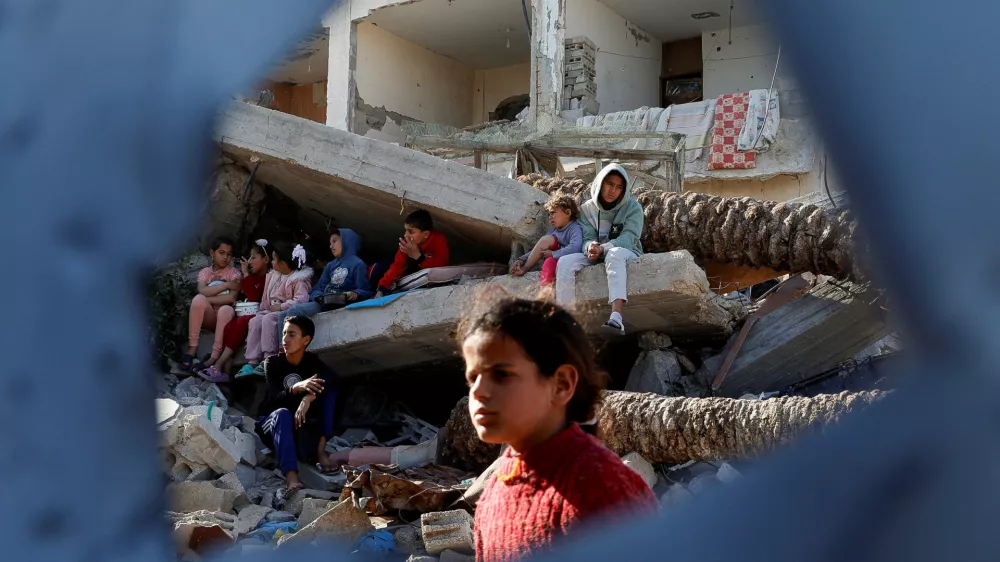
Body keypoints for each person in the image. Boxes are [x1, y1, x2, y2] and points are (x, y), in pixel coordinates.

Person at [459, 293, 657, 562]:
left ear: (561, 384)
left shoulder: (602, 488)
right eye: (473, 378)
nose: (479, 392)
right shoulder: (493, 494)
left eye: (502, 375)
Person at [254, 316, 340, 493]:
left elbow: (332, 380)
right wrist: (295, 388)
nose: (285, 339)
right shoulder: (273, 363)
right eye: (284, 333)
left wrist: (308, 398)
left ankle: (320, 449)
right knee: (282, 413)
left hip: (300, 427)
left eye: (292, 334)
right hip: (272, 425)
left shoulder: (312, 363)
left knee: (329, 391)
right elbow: (273, 398)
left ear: (305, 340)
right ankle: (291, 476)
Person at [555, 163, 644, 333]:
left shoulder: (633, 208)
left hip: (626, 252)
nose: (613, 191)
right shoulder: (586, 209)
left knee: (614, 254)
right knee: (565, 262)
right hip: (597, 254)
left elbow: (629, 238)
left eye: (619, 187)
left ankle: (616, 318)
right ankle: (566, 321)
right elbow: (587, 238)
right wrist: (590, 247)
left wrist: (604, 249)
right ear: (600, 183)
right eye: (610, 184)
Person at [195, 240, 271, 381]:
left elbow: (255, 296)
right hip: (252, 312)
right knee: (230, 326)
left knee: (242, 322)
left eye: (253, 257)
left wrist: (245, 273)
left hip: (265, 314)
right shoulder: (254, 277)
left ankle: (218, 365)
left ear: (266, 259)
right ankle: (225, 375)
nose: (249, 261)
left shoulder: (270, 276)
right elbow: (248, 296)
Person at [238, 243, 313, 377]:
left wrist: (282, 306)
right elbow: (266, 298)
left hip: (281, 312)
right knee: (255, 321)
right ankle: (252, 361)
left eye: (273, 259)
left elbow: (301, 299)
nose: (271, 262)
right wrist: (262, 310)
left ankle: (269, 358)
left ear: (282, 263)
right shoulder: (273, 276)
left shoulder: (298, 280)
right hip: (269, 310)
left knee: (268, 320)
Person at [276, 228, 372, 331]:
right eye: (330, 243)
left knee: (295, 310)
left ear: (346, 241)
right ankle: (283, 347)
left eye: (334, 241)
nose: (331, 246)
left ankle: (292, 346)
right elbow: (318, 288)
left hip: (342, 302)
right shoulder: (331, 265)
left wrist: (355, 294)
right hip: (324, 302)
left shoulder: (358, 264)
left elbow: (366, 291)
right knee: (282, 315)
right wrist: (318, 297)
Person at [181, 236, 242, 372]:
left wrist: (207, 296)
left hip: (225, 318)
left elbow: (231, 298)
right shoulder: (205, 273)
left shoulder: (234, 274)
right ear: (211, 253)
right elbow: (202, 290)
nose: (225, 257)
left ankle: (214, 355)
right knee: (198, 300)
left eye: (229, 254)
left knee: (225, 309)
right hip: (209, 316)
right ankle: (193, 347)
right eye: (221, 253)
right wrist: (225, 285)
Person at [370, 209, 450, 297]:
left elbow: (442, 266)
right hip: (407, 268)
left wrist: (418, 257)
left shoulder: (438, 240)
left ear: (426, 234)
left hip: (423, 272)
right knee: (379, 269)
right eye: (406, 230)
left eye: (411, 231)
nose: (405, 235)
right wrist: (381, 288)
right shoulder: (406, 242)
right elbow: (397, 265)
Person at [510, 194, 583, 286]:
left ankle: (526, 270)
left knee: (547, 252)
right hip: (556, 260)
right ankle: (545, 293)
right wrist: (521, 259)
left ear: (568, 213)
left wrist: (553, 254)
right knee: (547, 256)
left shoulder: (574, 228)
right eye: (549, 214)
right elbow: (539, 248)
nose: (550, 217)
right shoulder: (553, 231)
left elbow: (576, 247)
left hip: (569, 261)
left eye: (553, 213)